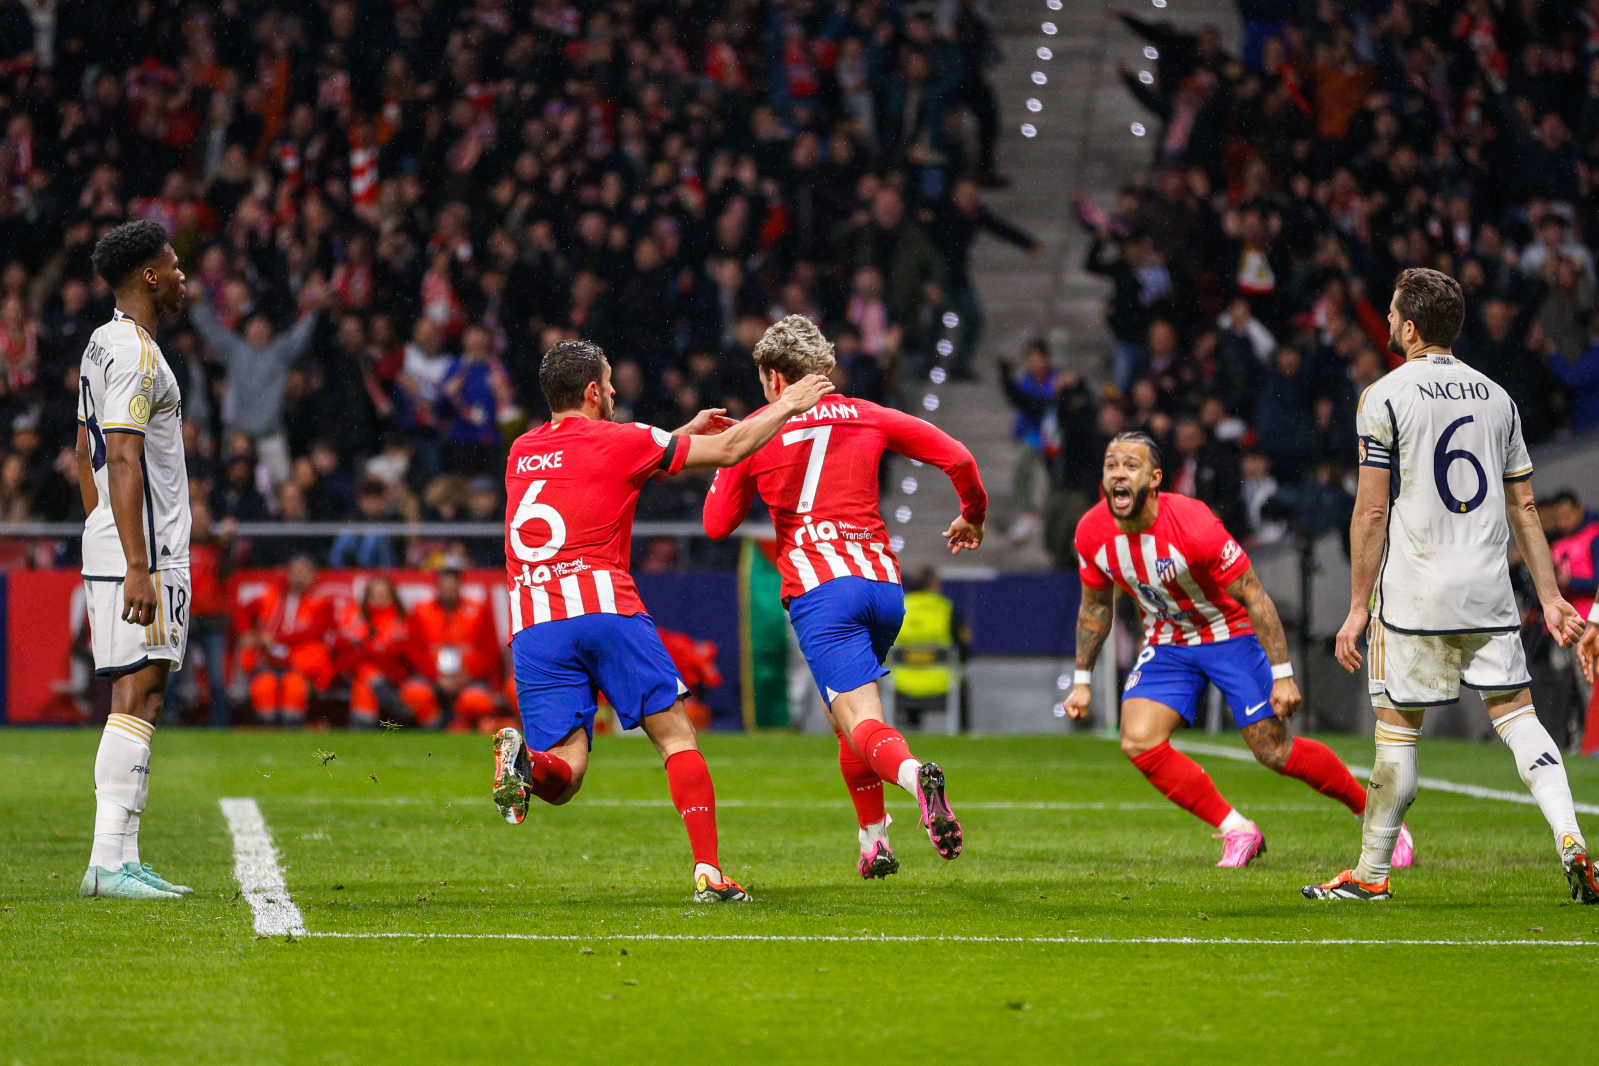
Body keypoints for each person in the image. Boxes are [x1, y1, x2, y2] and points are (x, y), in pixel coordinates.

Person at [490, 337, 834, 903]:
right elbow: (728, 452)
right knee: (676, 737)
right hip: (604, 606)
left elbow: (592, 468)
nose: (617, 391)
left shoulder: (522, 450)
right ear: (594, 391)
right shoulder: (624, 438)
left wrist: (680, 433)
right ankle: (708, 872)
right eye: (609, 381)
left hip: (534, 621)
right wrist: (788, 403)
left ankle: (526, 761)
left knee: (565, 775)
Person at [1314, 267, 1597, 904]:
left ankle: (1371, 873)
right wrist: (1551, 598)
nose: (1386, 322)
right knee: (1520, 718)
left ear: (1410, 328)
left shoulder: (1383, 396)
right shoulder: (1499, 398)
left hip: (1415, 592)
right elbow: (1524, 507)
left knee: (1396, 733)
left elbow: (1371, 511)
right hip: (1488, 591)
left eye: (1390, 313)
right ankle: (1571, 837)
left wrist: (1356, 607)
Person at [702, 315, 987, 879]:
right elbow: (959, 458)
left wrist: (730, 461)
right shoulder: (868, 414)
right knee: (848, 718)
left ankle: (915, 778)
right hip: (883, 587)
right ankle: (873, 842)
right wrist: (971, 518)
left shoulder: (757, 430)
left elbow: (715, 525)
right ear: (824, 370)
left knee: (859, 718)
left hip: (820, 590)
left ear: (772, 377)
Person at [1063, 431, 1408, 868]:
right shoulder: (1091, 532)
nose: (1118, 472)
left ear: (1155, 478)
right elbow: (1095, 607)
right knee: (1138, 740)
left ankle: (1379, 821)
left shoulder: (1193, 524)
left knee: (1274, 752)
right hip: (1168, 640)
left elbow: (1255, 596)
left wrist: (1283, 674)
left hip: (1229, 632)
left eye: (1130, 465)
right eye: (1112, 463)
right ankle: (1237, 829)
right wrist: (1081, 682)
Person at [75, 219, 195, 900]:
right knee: (137, 693)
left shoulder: (101, 344)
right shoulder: (136, 353)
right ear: (148, 275)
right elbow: (119, 454)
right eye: (173, 266)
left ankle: (119, 859)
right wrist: (139, 564)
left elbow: (79, 455)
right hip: (140, 553)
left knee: (140, 692)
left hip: (116, 542)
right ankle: (108, 864)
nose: (181, 275)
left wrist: (100, 530)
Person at [238, 554, 338, 727]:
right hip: (267, 659)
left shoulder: (321, 601)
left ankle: (292, 733)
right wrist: (246, 633)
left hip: (300, 663)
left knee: (294, 687)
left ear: (313, 575)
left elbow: (314, 632)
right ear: (288, 573)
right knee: (264, 686)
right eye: (296, 571)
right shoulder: (270, 595)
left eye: (305, 571)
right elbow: (242, 611)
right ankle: (266, 732)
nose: (299, 576)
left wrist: (277, 639)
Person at [402, 562, 504, 732]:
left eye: (452, 585)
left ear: (460, 585)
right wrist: (436, 675)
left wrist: (467, 675)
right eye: (444, 586)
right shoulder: (421, 610)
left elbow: (489, 651)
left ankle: (459, 724)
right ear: (437, 587)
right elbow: (414, 651)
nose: (448, 590)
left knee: (475, 700)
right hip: (431, 678)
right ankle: (434, 727)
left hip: (469, 679)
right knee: (414, 693)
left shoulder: (478, 610)